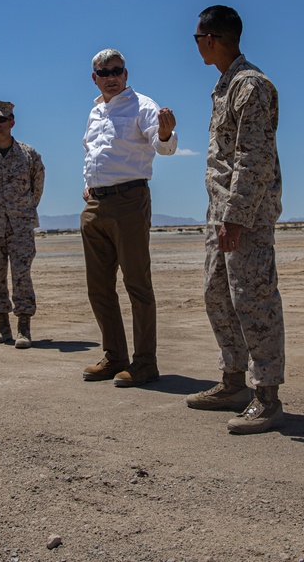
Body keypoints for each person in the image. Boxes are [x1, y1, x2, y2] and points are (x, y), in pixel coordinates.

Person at [186, 5, 286, 435]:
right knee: (218, 295)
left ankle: (267, 396)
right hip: (221, 213)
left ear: (212, 39)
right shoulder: (224, 87)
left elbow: (253, 158)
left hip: (246, 216)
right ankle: (233, 381)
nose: (195, 46)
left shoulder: (251, 87)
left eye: (196, 38)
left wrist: (237, 217)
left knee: (254, 300)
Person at [80, 49, 177, 386]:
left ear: (126, 74)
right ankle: (114, 357)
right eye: (104, 72)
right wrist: (87, 185)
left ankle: (145, 363)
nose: (111, 77)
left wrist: (165, 135)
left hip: (129, 202)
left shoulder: (143, 106)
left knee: (137, 284)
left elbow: (164, 145)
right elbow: (91, 150)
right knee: (99, 288)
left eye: (117, 71)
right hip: (96, 206)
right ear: (95, 78)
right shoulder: (95, 112)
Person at [0, 101, 46, 349]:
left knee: (22, 275)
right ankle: (3, 326)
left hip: (21, 226)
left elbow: (37, 188)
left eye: (2, 120)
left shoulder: (29, 155)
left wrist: (21, 211)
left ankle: (24, 327)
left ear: (12, 122)